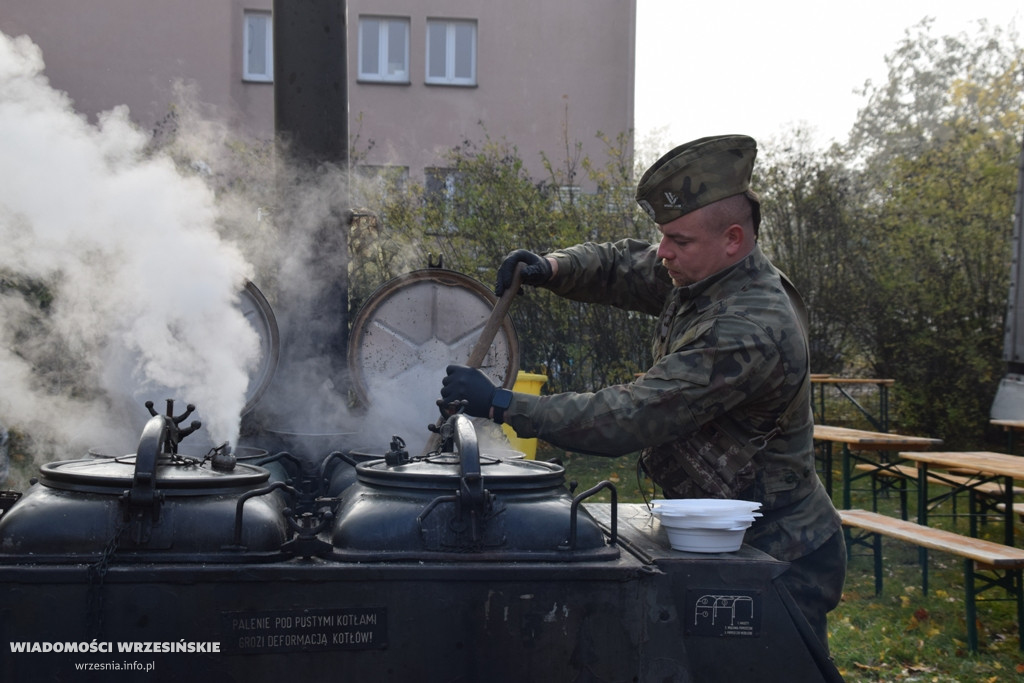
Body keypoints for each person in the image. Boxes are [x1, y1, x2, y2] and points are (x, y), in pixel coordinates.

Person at [440, 134, 845, 652]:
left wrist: (503, 404)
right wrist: (553, 267)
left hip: (777, 553)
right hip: (719, 535)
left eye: (679, 241)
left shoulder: (751, 328)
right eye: (664, 236)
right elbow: (622, 265)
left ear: (734, 239)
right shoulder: (703, 272)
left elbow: (633, 415)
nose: (664, 253)